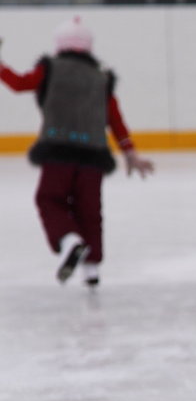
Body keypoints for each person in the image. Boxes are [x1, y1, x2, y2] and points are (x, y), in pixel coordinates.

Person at [0, 17, 154, 287]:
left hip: (58, 150)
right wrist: (130, 152)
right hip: (93, 154)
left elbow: (19, 84)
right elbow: (115, 118)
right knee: (89, 210)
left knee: (49, 199)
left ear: (59, 45)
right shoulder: (101, 78)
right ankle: (92, 271)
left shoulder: (49, 69)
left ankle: (70, 240)